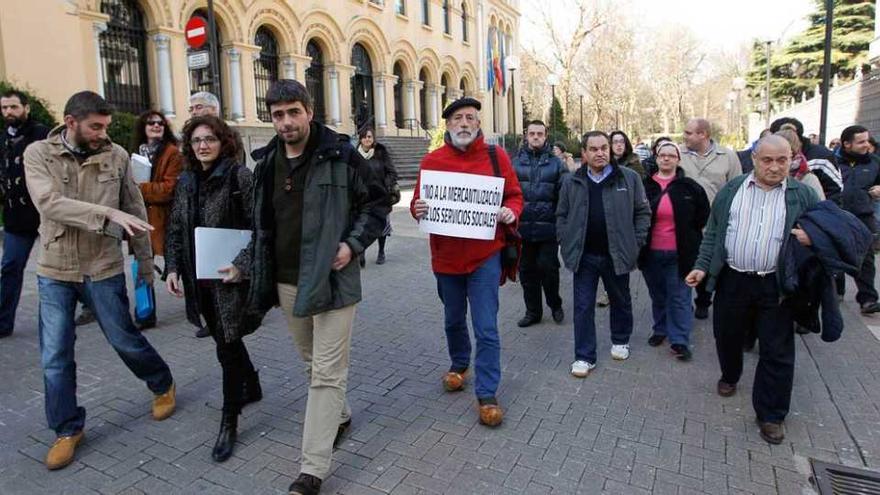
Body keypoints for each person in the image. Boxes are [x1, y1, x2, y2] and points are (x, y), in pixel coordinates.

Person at [244, 80, 388, 495]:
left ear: (309, 111)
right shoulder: (266, 162)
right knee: (311, 363)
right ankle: (339, 415)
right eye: (277, 115)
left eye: (293, 112)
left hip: (335, 279)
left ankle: (312, 469)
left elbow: (377, 203)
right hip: (287, 281)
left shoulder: (340, 155)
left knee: (326, 373)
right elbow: (260, 224)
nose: (286, 122)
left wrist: (353, 244)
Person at [24, 91, 175, 470]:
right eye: (95, 126)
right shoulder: (38, 154)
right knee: (55, 356)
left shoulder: (117, 155)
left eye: (105, 127)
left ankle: (162, 383)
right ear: (71, 122)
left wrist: (143, 262)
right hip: (55, 269)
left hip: (103, 266)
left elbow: (135, 208)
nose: (102, 134)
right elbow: (48, 203)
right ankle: (67, 428)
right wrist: (105, 212)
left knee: (124, 338)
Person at [685, 135, 818, 445]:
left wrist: (812, 240)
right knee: (728, 337)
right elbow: (714, 234)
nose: (775, 167)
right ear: (754, 160)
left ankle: (771, 414)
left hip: (777, 285)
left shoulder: (804, 195)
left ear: (791, 160)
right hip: (734, 281)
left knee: (777, 351)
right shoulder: (732, 191)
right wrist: (702, 266)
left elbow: (823, 232)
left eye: (782, 160)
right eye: (767, 160)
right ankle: (730, 374)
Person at [411, 97, 523, 427]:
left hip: (484, 256)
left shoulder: (496, 156)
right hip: (446, 258)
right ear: (447, 125)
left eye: (470, 118)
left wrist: (510, 211)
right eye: (457, 118)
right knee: (453, 318)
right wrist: (418, 208)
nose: (464, 123)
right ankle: (459, 364)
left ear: (478, 124)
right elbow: (420, 201)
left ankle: (487, 393)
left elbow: (514, 195)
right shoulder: (432, 161)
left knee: (486, 327)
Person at [164, 115, 263, 462]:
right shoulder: (187, 180)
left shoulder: (239, 176)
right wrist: (173, 267)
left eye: (210, 139)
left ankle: (230, 417)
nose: (203, 145)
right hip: (198, 280)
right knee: (226, 339)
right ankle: (251, 384)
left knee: (226, 345)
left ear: (224, 142)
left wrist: (242, 266)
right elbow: (176, 226)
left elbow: (261, 228)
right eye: (196, 141)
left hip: (229, 280)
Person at [557, 131, 651, 377]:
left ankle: (620, 340)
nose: (600, 153)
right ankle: (584, 357)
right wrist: (565, 240)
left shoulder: (628, 179)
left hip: (616, 254)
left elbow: (643, 212)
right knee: (582, 306)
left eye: (604, 148)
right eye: (594, 149)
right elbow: (562, 215)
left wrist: (636, 242)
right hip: (584, 256)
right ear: (584, 154)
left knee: (621, 299)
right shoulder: (572, 181)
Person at [640, 142, 709, 361]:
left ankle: (679, 339)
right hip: (650, 252)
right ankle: (660, 330)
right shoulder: (645, 186)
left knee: (679, 296)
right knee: (658, 294)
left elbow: (703, 215)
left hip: (681, 253)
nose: (667, 159)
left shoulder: (690, 187)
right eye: (663, 155)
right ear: (656, 158)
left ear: (678, 159)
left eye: (672, 155)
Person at [679, 118, 743, 320]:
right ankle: (681, 302)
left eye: (689, 133)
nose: (685, 136)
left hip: (714, 221)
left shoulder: (728, 156)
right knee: (685, 261)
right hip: (685, 222)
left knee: (709, 259)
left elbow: (737, 187)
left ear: (703, 134)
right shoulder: (677, 153)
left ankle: (704, 300)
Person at [0, 89, 49, 338]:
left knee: (62, 265)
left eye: (13, 107)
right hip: (15, 217)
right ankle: (3, 322)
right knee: (10, 267)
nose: (9, 112)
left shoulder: (41, 134)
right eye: (5, 108)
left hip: (44, 213)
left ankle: (89, 305)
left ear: (26, 108)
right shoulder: (2, 138)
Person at [129, 110, 182, 330]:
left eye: (160, 123)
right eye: (151, 123)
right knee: (141, 264)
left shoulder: (172, 153)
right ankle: (144, 312)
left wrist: (139, 189)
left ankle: (201, 305)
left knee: (178, 263)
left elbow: (169, 190)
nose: (156, 126)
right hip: (138, 217)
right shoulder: (135, 152)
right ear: (143, 126)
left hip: (164, 217)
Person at [512, 120, 567, 327]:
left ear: (546, 136)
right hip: (523, 229)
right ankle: (533, 312)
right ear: (526, 135)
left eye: (540, 134)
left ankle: (555, 304)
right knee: (526, 272)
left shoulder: (556, 164)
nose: (536, 137)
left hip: (548, 229)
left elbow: (565, 196)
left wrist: (560, 223)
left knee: (548, 269)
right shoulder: (515, 163)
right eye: (532, 133)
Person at [835, 125, 880, 313]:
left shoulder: (875, 162)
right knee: (835, 254)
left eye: (867, 141)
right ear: (847, 144)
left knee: (866, 258)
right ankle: (836, 292)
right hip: (837, 215)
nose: (866, 145)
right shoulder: (833, 161)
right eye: (860, 141)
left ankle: (868, 299)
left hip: (863, 216)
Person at [357, 126, 400, 265]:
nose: (367, 139)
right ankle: (361, 254)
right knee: (360, 225)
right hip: (362, 197)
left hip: (381, 196)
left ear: (373, 138)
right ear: (360, 139)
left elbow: (392, 172)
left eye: (369, 136)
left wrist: (386, 185)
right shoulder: (355, 155)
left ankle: (381, 252)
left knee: (382, 225)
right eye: (364, 137)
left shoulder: (381, 153)